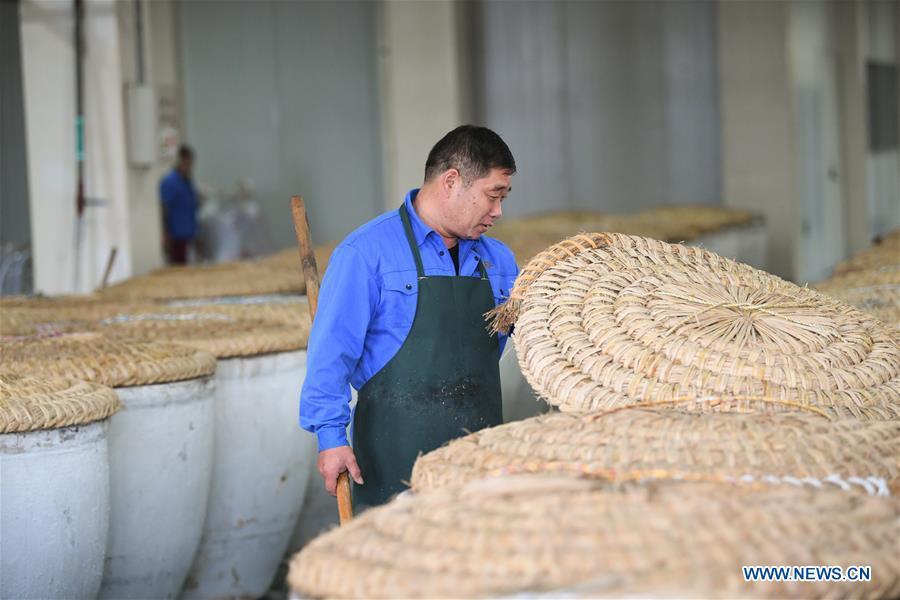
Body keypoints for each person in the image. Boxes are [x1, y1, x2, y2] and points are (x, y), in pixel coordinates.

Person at [300, 125, 519, 510]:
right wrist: (331, 438)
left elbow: (530, 339)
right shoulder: (366, 254)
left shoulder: (498, 260)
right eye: (493, 195)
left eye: (503, 198)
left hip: (480, 465)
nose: (498, 211)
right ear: (451, 181)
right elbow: (330, 354)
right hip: (393, 465)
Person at [159, 144, 199, 264]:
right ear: (180, 160)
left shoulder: (187, 181)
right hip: (176, 235)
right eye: (187, 162)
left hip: (188, 233)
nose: (189, 166)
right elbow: (164, 208)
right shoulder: (170, 182)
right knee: (177, 267)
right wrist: (166, 233)